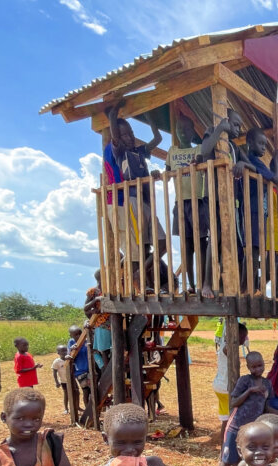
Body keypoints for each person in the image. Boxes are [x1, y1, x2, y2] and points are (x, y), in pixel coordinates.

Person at [104, 103, 167, 283]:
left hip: (144, 202)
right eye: (124, 135)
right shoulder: (119, 152)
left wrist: (148, 117)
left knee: (162, 243)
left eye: (131, 132)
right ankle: (139, 282)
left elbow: (157, 138)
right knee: (137, 248)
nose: (129, 137)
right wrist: (112, 116)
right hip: (130, 201)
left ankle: (140, 274)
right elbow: (115, 137)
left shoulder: (139, 151)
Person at [196, 109, 246, 298]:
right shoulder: (212, 133)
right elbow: (204, 150)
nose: (238, 129)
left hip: (230, 200)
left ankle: (225, 283)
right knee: (214, 237)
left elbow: (247, 163)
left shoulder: (233, 147)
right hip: (213, 196)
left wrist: (241, 165)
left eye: (239, 126)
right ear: (225, 120)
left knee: (228, 240)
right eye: (235, 124)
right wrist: (220, 128)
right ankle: (207, 283)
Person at [218, 351, 278, 466]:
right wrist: (249, 391)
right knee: (227, 460)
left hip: (251, 432)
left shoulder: (267, 384)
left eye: (260, 365)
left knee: (241, 464)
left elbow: (266, 407)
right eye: (254, 367)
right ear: (248, 367)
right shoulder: (245, 381)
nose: (258, 369)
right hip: (235, 427)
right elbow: (234, 402)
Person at [166, 122, 206, 293]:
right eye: (180, 128)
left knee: (202, 244)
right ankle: (191, 285)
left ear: (192, 132)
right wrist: (158, 174)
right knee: (187, 245)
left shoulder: (198, 150)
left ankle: (203, 283)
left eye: (186, 128)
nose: (182, 131)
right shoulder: (172, 152)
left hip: (198, 200)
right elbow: (166, 173)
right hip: (180, 202)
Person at [241, 127, 278, 291]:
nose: (264, 148)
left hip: (255, 210)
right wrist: (277, 161)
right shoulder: (254, 160)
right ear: (250, 143)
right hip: (255, 210)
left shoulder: (252, 160)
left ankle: (247, 286)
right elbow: (276, 179)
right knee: (254, 250)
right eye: (261, 143)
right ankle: (248, 288)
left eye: (265, 144)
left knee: (253, 250)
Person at [214, 322, 250, 443]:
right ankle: (225, 444)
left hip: (220, 385)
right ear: (235, 335)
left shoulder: (226, 343)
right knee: (228, 419)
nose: (244, 339)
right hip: (225, 387)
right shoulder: (228, 346)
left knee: (227, 416)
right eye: (243, 336)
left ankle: (226, 442)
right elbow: (227, 349)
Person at [84, 269, 113, 369]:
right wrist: (95, 300)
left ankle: (110, 366)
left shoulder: (110, 290)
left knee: (113, 346)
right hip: (102, 323)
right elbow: (85, 308)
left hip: (113, 321)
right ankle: (107, 368)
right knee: (104, 349)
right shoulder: (93, 292)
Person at [68, 324, 92, 425]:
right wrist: (72, 349)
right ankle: (88, 411)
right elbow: (69, 355)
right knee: (86, 391)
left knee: (93, 391)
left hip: (90, 369)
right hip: (80, 372)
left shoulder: (86, 340)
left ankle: (92, 410)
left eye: (79, 333)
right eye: (75, 334)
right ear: (71, 335)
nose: (78, 336)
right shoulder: (72, 342)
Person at [51, 344, 70, 413]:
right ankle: (66, 409)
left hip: (71, 380)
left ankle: (77, 407)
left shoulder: (69, 358)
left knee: (76, 394)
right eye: (62, 351)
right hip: (64, 381)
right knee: (66, 394)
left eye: (66, 350)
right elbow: (54, 372)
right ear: (58, 353)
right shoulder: (57, 362)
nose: (65, 352)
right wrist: (56, 382)